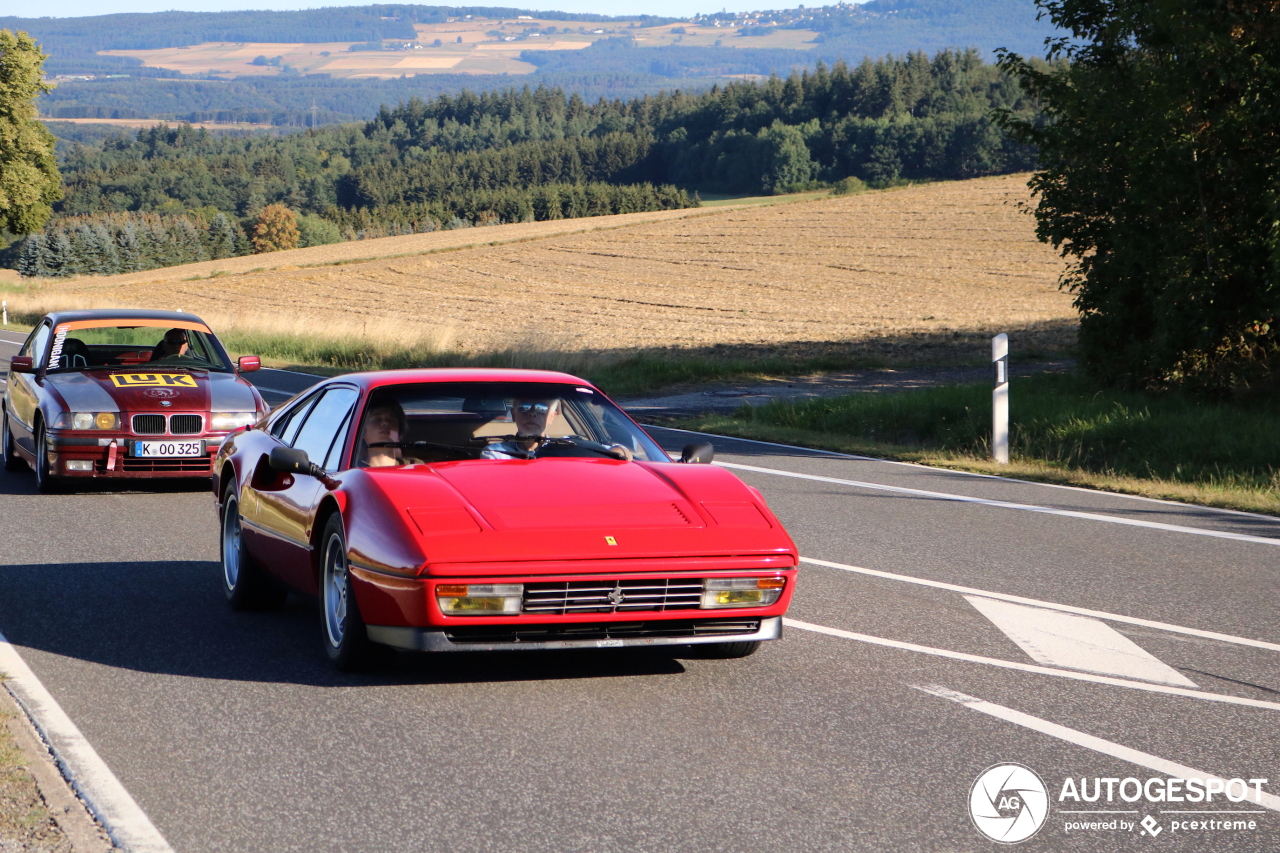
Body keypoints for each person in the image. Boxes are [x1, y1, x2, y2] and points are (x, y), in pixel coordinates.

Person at [481, 397, 561, 459]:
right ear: (513, 414)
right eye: (524, 407)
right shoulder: (496, 454)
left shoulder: (563, 453)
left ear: (551, 417)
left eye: (542, 408)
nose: (532, 413)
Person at [359, 400, 420, 467]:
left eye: (391, 419)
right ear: (362, 432)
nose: (385, 423)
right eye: (377, 418)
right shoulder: (353, 471)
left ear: (399, 434)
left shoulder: (415, 466)